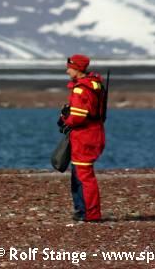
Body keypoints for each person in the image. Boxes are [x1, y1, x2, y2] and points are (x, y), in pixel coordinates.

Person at [58, 54, 106, 222]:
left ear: (77, 69)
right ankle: (82, 211)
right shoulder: (94, 85)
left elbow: (78, 117)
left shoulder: (81, 89)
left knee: (83, 176)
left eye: (69, 68)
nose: (67, 71)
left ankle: (90, 214)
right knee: (79, 173)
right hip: (92, 134)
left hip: (84, 137)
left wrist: (65, 119)